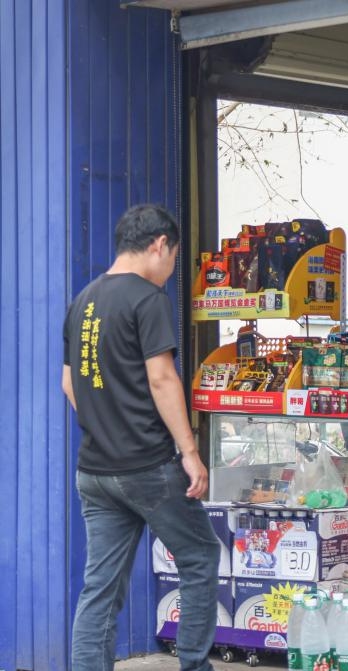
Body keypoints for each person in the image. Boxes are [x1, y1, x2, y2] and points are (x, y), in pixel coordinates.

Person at [62, 205, 219, 671]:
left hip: (94, 471)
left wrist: (106, 423)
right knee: (200, 556)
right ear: (158, 245)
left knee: (100, 588)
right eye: (172, 258)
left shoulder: (82, 301)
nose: (171, 270)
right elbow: (162, 379)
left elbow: (70, 385)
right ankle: (195, 666)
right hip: (147, 467)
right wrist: (190, 451)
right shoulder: (147, 299)